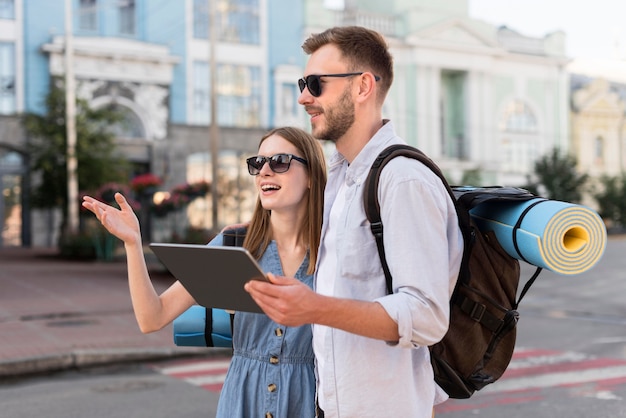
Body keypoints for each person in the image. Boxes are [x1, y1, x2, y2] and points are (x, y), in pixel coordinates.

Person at [244, 26, 464, 417]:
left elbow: (427, 316)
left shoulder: (402, 181)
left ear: (363, 86)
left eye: (316, 84)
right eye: (303, 83)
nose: (304, 97)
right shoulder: (340, 179)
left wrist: (314, 308)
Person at [82, 126, 327, 418]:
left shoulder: (335, 253)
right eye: (258, 163)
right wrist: (134, 244)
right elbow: (152, 317)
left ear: (311, 175)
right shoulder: (233, 244)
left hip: (308, 403)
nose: (265, 171)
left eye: (280, 162)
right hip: (241, 403)